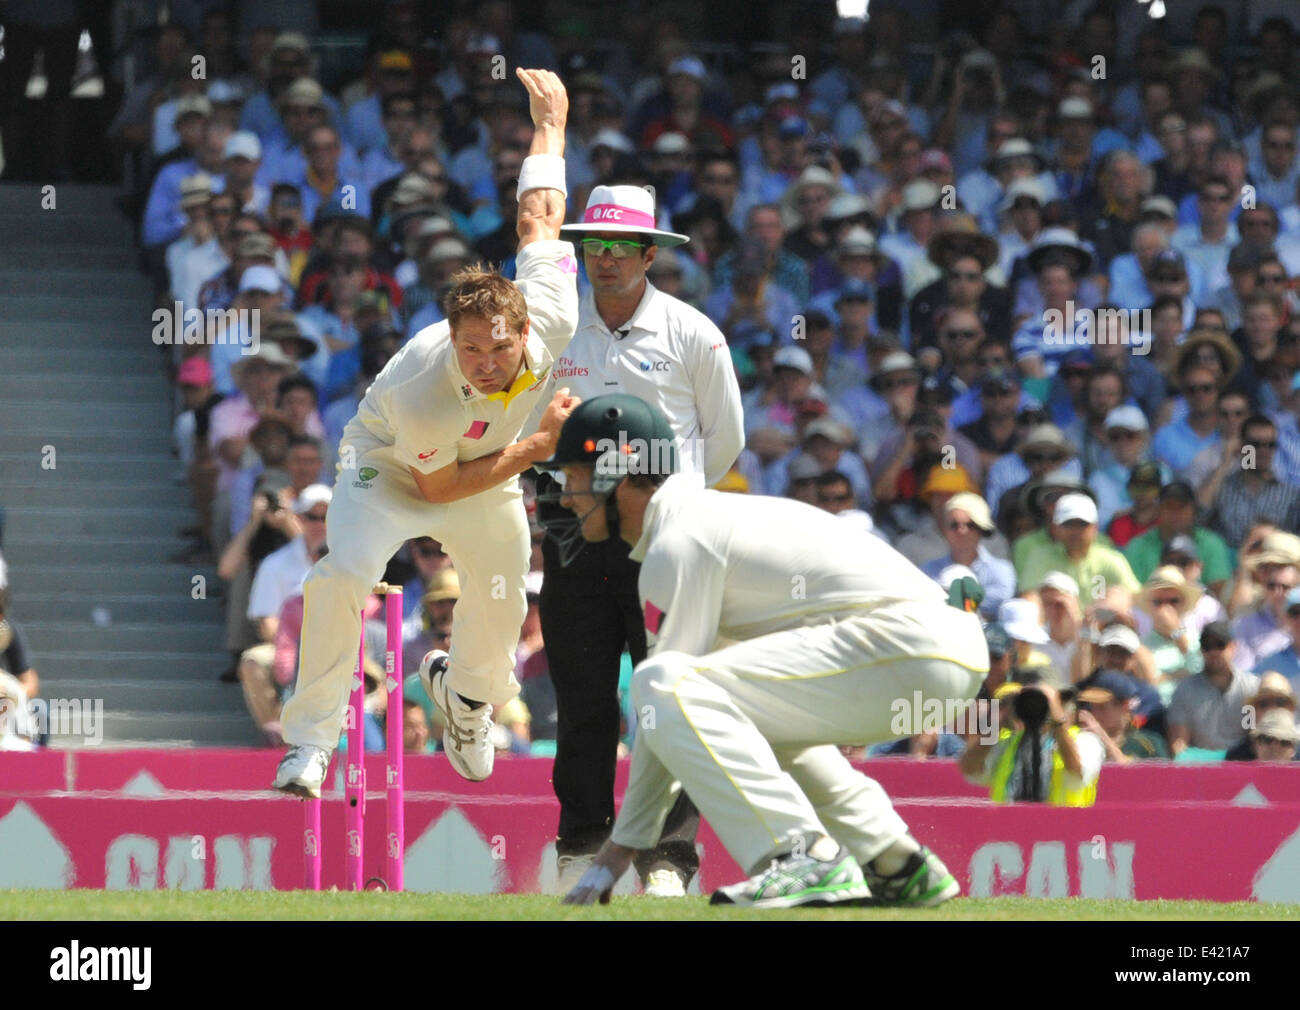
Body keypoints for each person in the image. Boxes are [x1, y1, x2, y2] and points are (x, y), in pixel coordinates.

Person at [273, 69, 580, 798]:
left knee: (504, 588)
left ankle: (467, 701)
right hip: (393, 469)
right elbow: (438, 489)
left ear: (525, 329)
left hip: (485, 467)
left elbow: (539, 215)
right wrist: (535, 451)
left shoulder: (553, 310)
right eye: (469, 347)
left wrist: (552, 126)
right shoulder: (423, 388)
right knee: (345, 573)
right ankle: (311, 741)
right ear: (452, 335)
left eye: (496, 349)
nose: (482, 361)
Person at [551, 395, 986, 908]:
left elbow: (661, 701)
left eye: (573, 477)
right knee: (744, 710)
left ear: (616, 477)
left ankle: (798, 856)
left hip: (909, 646)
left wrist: (616, 853)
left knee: (661, 681)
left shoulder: (677, 541)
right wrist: (623, 847)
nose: (564, 497)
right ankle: (894, 859)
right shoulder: (698, 520)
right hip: (939, 650)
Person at [533, 181, 745, 896]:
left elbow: (725, 440)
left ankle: (667, 860)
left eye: (623, 248)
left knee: (671, 694)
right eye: (595, 246)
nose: (607, 260)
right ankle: (581, 846)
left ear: (651, 255)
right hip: (570, 529)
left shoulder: (693, 332)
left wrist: (664, 504)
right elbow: (530, 432)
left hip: (665, 533)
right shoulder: (555, 329)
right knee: (584, 691)